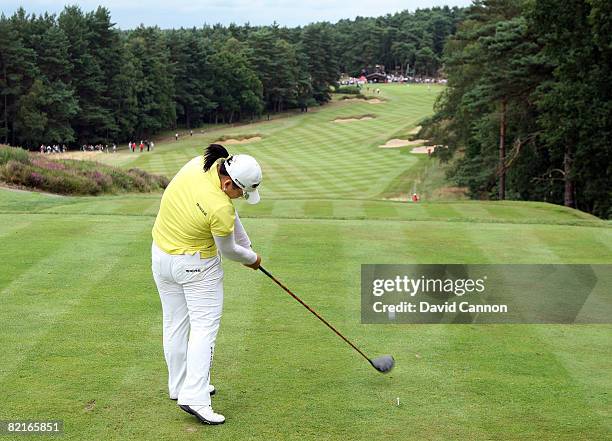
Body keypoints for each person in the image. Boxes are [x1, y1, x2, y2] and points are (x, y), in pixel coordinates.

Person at [151, 144, 262, 425]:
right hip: (196, 265)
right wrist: (252, 257)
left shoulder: (201, 163)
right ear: (228, 183)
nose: (242, 197)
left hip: (161, 256)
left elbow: (230, 213)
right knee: (204, 329)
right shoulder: (220, 207)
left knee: (175, 322)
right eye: (242, 192)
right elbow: (229, 251)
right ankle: (196, 397)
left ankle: (178, 386)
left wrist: (246, 243)